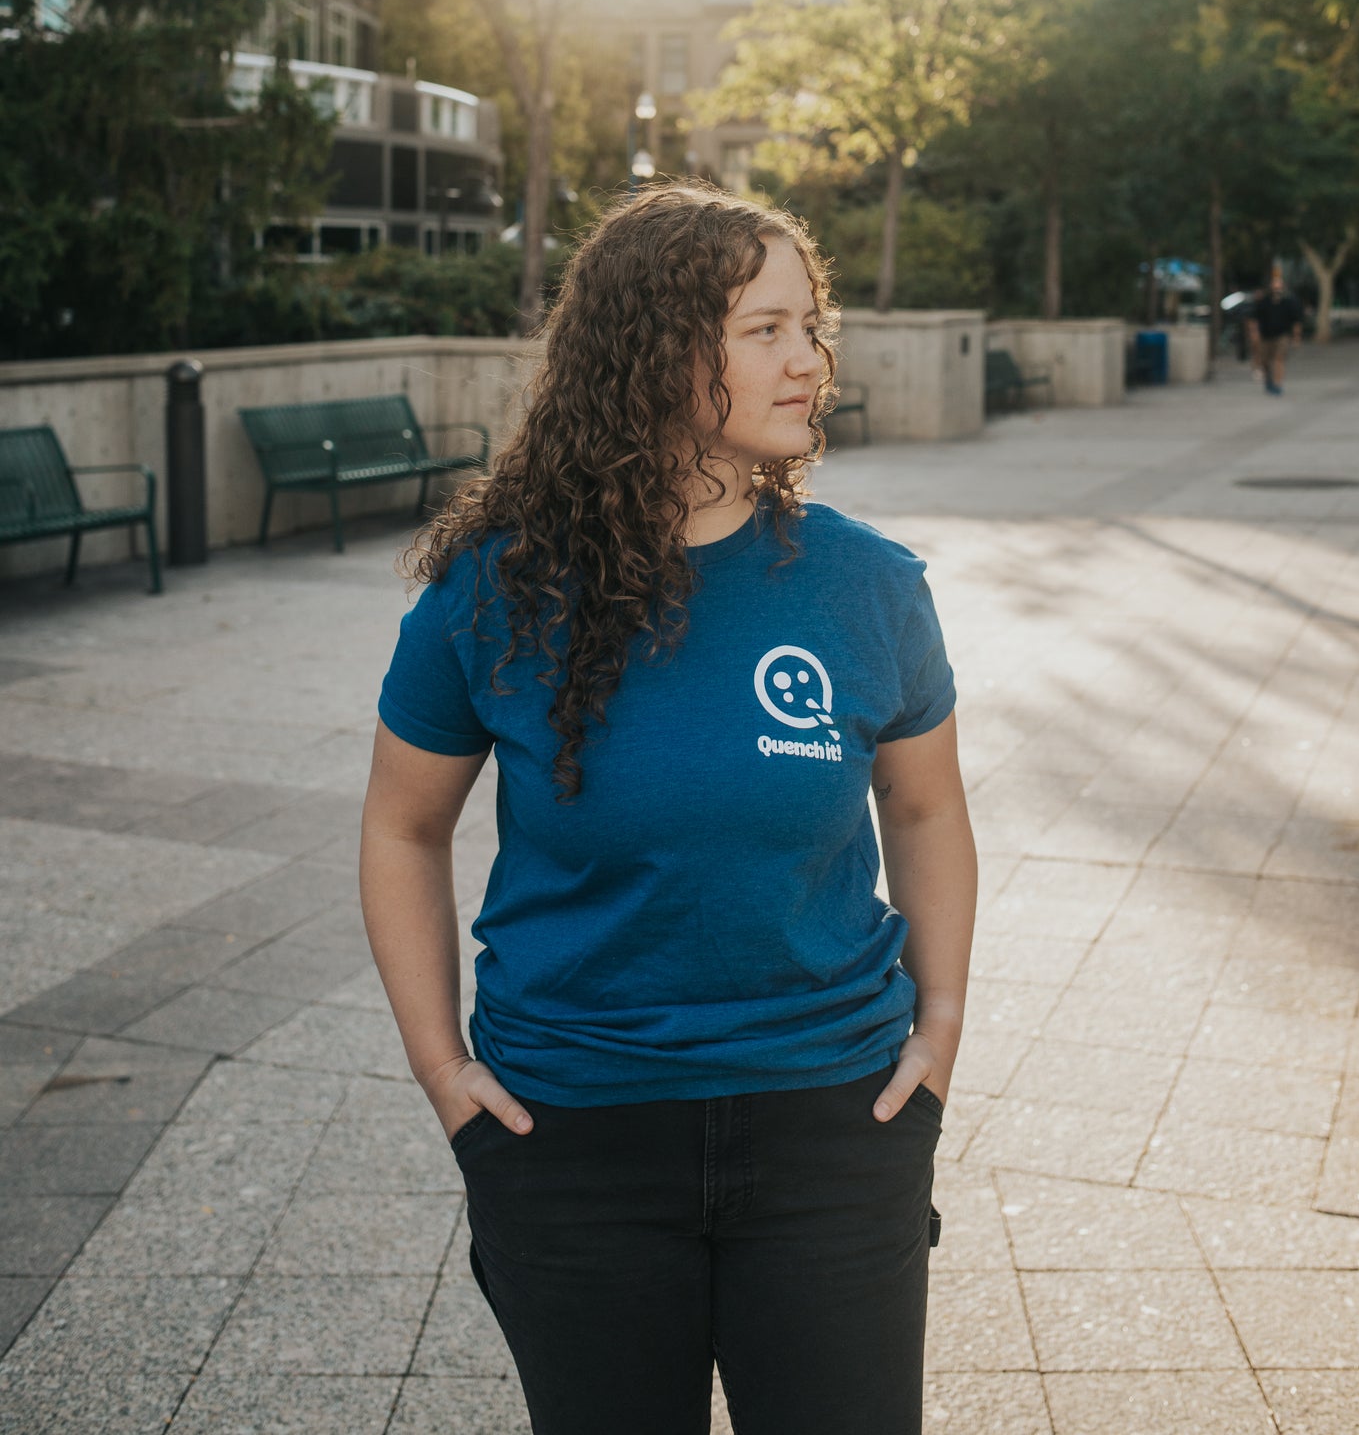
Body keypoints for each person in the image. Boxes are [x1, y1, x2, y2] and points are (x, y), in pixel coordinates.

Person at [360, 184, 977, 1435]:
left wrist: (940, 1027)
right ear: (651, 352)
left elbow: (923, 808)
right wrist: (442, 1070)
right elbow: (400, 825)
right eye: (764, 329)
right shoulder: (492, 592)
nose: (808, 358)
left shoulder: (867, 583)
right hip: (572, 1132)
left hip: (831, 1120)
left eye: (809, 324)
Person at [1247, 264, 1305, 395]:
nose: (1277, 287)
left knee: (1279, 359)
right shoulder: (1264, 302)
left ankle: (1278, 384)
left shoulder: (1289, 302)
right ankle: (1269, 380)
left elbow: (1296, 321)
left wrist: (1296, 337)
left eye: (1279, 285)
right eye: (1275, 284)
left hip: (1282, 335)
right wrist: (1254, 333)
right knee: (1265, 361)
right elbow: (1253, 318)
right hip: (1265, 336)